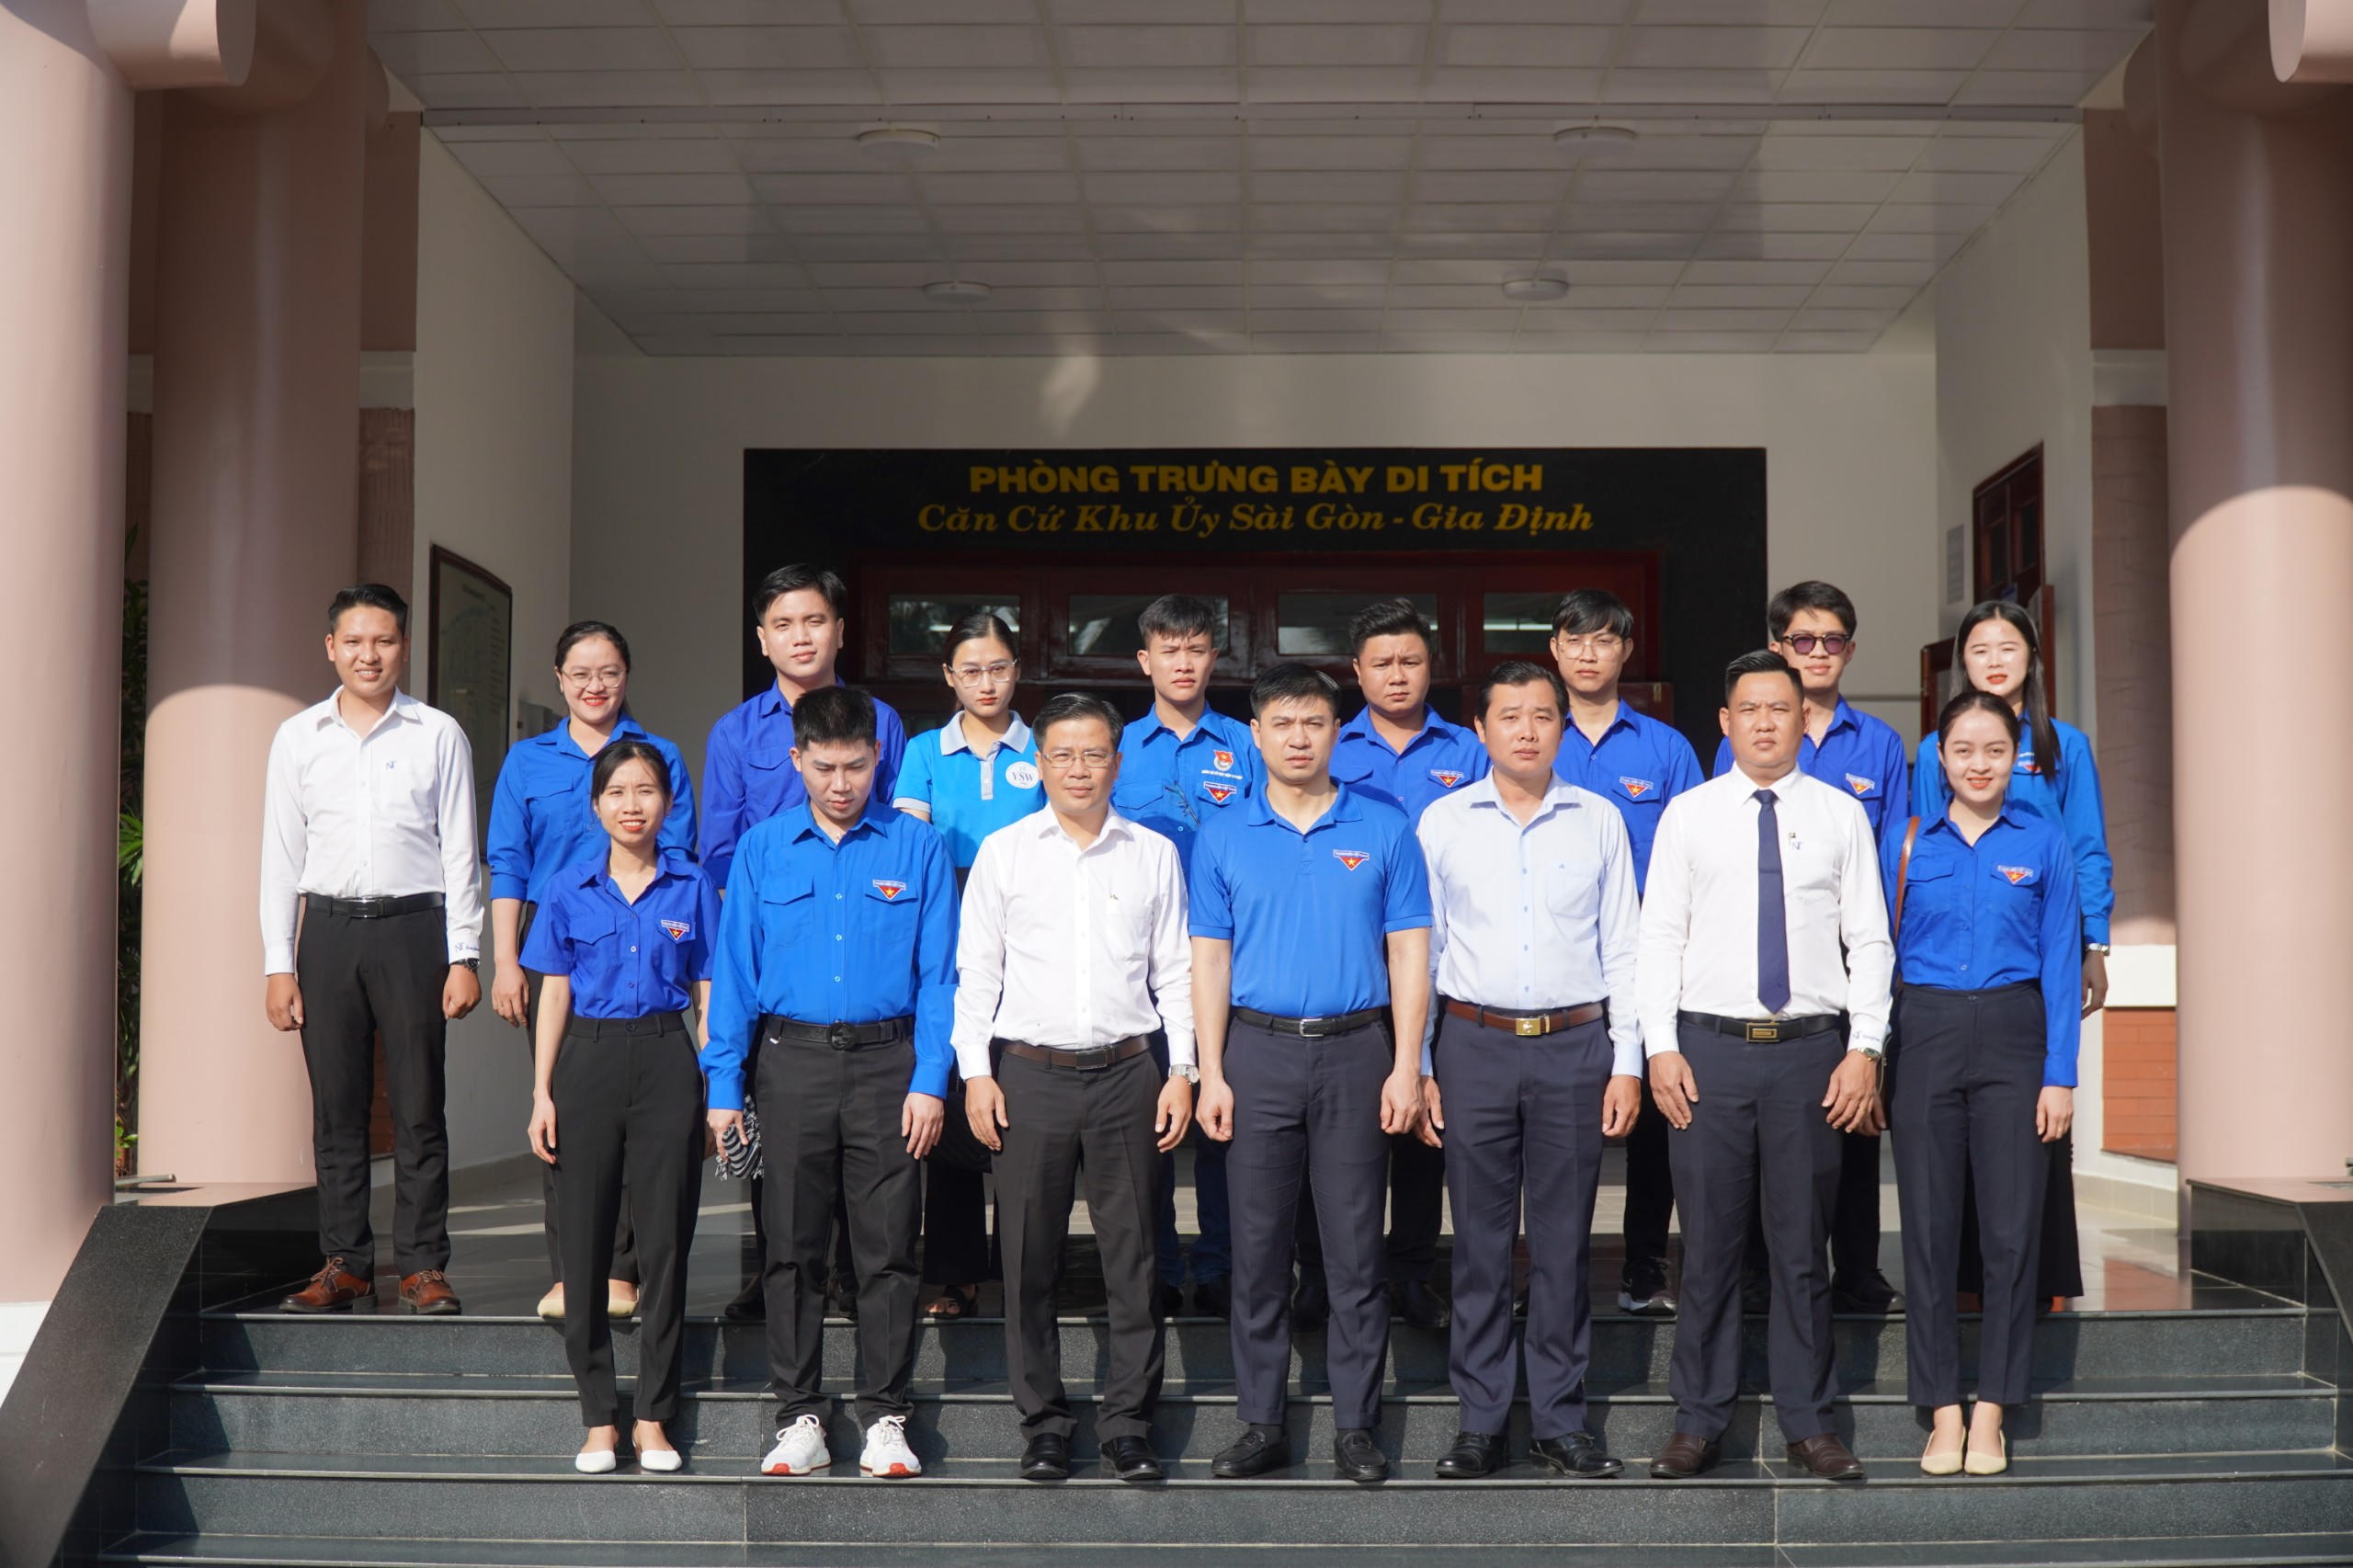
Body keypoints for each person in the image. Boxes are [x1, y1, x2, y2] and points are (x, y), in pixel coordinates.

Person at [1638, 650, 1892, 1483]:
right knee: (1708, 1249)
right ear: (1725, 721)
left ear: (1802, 718)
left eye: (1780, 709)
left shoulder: (1840, 815)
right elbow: (1658, 937)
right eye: (1748, 709)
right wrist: (1659, 1046)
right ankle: (1698, 1420)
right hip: (1707, 1053)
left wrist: (1864, 1049)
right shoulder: (1688, 816)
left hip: (1810, 1057)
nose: (1764, 723)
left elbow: (1870, 940)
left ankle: (1810, 1423)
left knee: (1800, 1250)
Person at [703, 687, 955, 1482]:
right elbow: (734, 973)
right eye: (823, 767)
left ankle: (886, 1415)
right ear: (796, 760)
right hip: (792, 1064)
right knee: (790, 1248)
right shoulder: (761, 849)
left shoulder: (917, 846)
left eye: (854, 766)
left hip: (890, 1065)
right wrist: (722, 1084)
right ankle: (799, 1415)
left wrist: (931, 1078)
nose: (840, 784)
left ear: (878, 758)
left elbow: (942, 976)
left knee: (888, 1249)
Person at [1193, 663, 1433, 1483]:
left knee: (1356, 1252)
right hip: (1255, 1053)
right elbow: (1208, 962)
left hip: (1357, 1051)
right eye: (1283, 724)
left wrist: (1407, 1065)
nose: (1299, 738)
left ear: (1338, 731)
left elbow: (1409, 955)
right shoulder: (1224, 833)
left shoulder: (1385, 825)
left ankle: (1357, 1425)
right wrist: (1211, 1071)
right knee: (1259, 1252)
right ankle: (1261, 1422)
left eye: (1315, 723)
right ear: (1255, 735)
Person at [954, 692, 1197, 1484]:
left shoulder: (1152, 852)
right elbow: (977, 972)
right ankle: (1045, 1424)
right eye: (1062, 754)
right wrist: (977, 1073)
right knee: (1028, 1257)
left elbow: (1176, 971)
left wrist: (1183, 1071)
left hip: (1131, 1071)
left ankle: (1129, 1425)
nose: (1079, 769)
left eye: (1094, 754)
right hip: (1030, 1075)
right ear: (1040, 764)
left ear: (1117, 763)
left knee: (1136, 1256)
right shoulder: (1004, 853)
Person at [1417, 660, 1640, 1482]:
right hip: (1472, 1044)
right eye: (1509, 716)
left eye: (1543, 716)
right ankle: (1480, 1420)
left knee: (1562, 1243)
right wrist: (1421, 1063)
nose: (1527, 730)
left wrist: (1628, 1061)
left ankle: (1559, 1419)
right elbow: (1425, 952)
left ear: (1562, 727)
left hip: (1575, 1048)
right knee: (1478, 1243)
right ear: (1479, 729)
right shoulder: (1443, 821)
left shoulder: (1599, 819)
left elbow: (1624, 947)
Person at [261, 584, 483, 1315]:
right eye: (354, 641)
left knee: (419, 1106)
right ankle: (345, 1263)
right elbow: (280, 859)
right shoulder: (298, 737)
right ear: (331, 647)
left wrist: (464, 955)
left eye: (384, 641)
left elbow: (460, 850)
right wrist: (279, 963)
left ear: (404, 648)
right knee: (337, 1107)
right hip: (327, 934)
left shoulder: (438, 734)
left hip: (414, 931)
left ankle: (422, 1266)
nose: (369, 655)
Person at [704, 564, 907, 1323]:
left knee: (863, 1138)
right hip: (776, 952)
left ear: (840, 631)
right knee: (776, 1128)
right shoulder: (735, 732)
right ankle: (780, 1274)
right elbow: (718, 853)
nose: (800, 637)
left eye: (814, 621)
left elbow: (892, 832)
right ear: (762, 639)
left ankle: (851, 1276)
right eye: (783, 625)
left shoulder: (882, 720)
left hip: (861, 945)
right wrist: (729, 973)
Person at [1886, 691, 2081, 1478]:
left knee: (2009, 1234)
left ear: (2015, 760)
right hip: (1925, 1034)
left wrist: (2059, 1076)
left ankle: (1994, 1409)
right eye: (1963, 750)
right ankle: (1941, 1410)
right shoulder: (1906, 842)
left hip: (2014, 1035)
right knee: (1929, 1233)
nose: (1978, 764)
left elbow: (2061, 964)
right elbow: (1875, 952)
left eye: (1995, 751)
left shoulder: (2044, 841)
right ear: (1940, 757)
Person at [486, 620, 698, 1324]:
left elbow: (681, 858)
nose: (594, 685)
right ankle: (571, 1270)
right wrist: (506, 961)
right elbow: (509, 863)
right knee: (562, 1113)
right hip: (556, 956)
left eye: (608, 671)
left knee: (639, 1120)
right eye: (580, 673)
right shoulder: (527, 762)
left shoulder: (657, 757)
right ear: (559, 679)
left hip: (640, 947)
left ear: (626, 676)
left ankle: (621, 1269)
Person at [1711, 581, 1909, 1314]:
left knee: (1853, 1115)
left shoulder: (1879, 743)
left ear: (1849, 651)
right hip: (1768, 962)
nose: (1817, 652)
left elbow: (1896, 855)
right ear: (1778, 647)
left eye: (1831, 641)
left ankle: (1857, 1268)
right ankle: (1761, 1272)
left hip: (1850, 958)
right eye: (1802, 640)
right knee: (1766, 1139)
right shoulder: (1744, 736)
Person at [521, 741, 717, 1475]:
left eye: (646, 791)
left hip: (668, 1058)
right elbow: (554, 994)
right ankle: (599, 1418)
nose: (632, 805)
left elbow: (707, 991)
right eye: (618, 792)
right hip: (588, 1062)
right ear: (596, 805)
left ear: (668, 803)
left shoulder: (693, 885)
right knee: (583, 1246)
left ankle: (654, 1417)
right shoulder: (566, 888)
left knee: (665, 1245)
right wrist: (542, 1092)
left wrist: (716, 1089)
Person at [1912, 599, 2110, 1304]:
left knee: (2032, 1133)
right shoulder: (1935, 750)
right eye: (1979, 649)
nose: (1994, 661)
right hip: (1955, 976)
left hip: (2039, 952)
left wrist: (2094, 941)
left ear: (2033, 658)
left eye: (2008, 648)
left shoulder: (2064, 745)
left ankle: (2037, 1282)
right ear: (1960, 661)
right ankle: (1967, 1284)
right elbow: (1925, 847)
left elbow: (2086, 846)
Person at [1301, 597, 1487, 1333]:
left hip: (1438, 965)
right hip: (1345, 965)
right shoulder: (1329, 744)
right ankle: (1318, 1274)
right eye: (1382, 663)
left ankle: (1411, 1272)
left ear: (1431, 666)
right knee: (1326, 1133)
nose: (1398, 675)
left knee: (1421, 1125)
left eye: (1411, 661)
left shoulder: (1468, 750)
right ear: (1357, 671)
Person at [1548, 588, 1703, 1319]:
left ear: (1626, 651)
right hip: (1553, 963)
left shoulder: (1666, 749)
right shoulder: (1530, 733)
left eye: (1604, 640)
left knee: (1651, 1123)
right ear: (1555, 649)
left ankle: (1644, 1264)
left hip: (1645, 959)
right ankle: (1553, 1273)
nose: (1589, 653)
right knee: (1556, 1129)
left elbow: (1698, 857)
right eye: (1575, 639)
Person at [1110, 593, 1259, 1320]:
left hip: (1231, 959)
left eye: (1196, 649)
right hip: (1142, 964)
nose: (1183, 663)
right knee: (1156, 1124)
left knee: (1226, 1122)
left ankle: (1225, 1266)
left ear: (1214, 658)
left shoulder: (1245, 744)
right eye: (1169, 651)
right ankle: (1163, 1269)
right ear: (1145, 660)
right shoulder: (1117, 748)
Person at [892, 610, 1041, 1323]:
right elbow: (913, 847)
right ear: (949, 677)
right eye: (971, 670)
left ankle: (1026, 1270)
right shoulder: (924, 751)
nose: (986, 683)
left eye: (999, 668)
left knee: (1026, 1108)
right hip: (949, 934)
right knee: (955, 1104)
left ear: (1019, 671)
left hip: (1034, 938)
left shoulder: (1043, 746)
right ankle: (955, 1274)